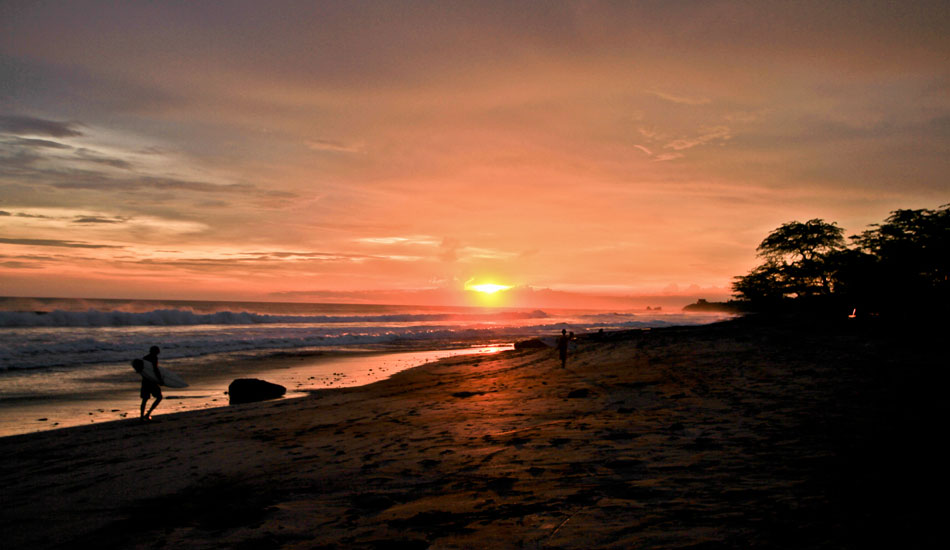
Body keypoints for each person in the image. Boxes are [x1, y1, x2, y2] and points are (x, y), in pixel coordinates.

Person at [139, 345, 164, 421]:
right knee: (159, 397)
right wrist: (160, 380)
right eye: (158, 351)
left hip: (145, 381)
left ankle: (141, 417)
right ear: (155, 352)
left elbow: (141, 370)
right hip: (152, 382)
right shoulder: (154, 358)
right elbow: (155, 370)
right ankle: (148, 414)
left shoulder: (144, 358)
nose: (159, 352)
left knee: (144, 399)